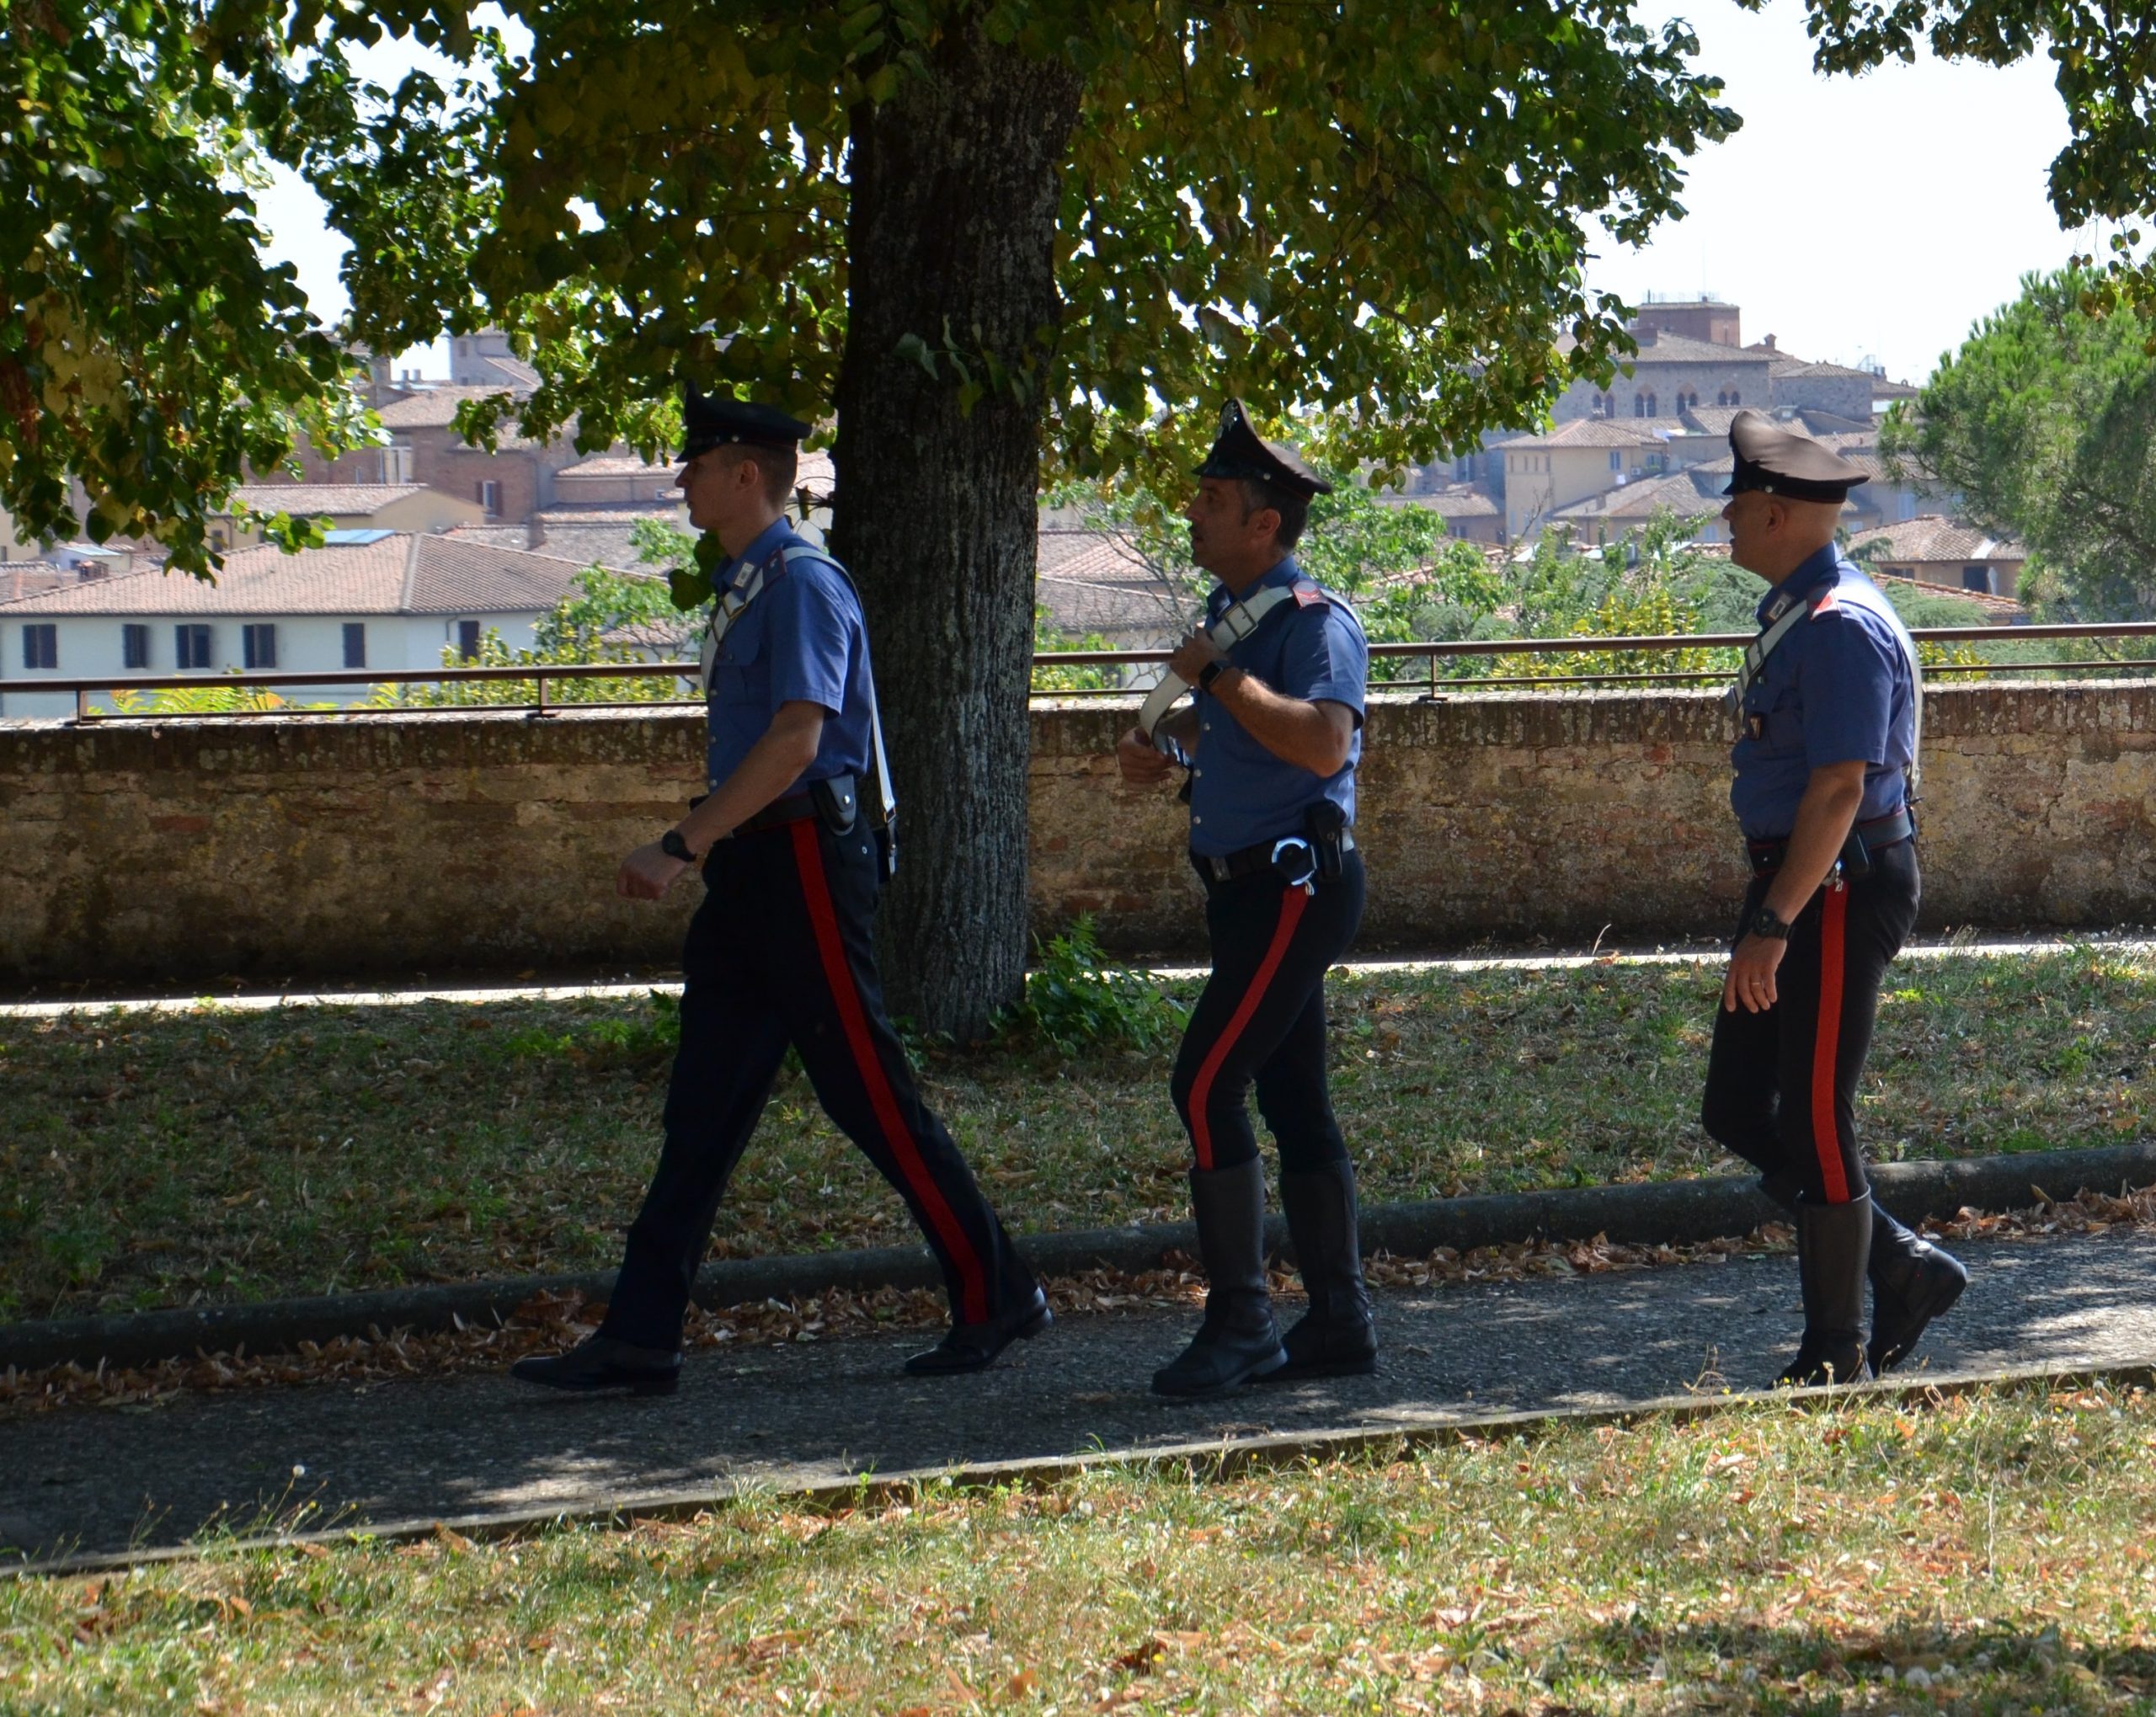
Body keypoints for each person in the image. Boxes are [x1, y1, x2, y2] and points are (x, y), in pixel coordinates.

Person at [514, 387, 1049, 1395]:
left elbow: (797, 742)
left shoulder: (800, 584)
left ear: (745, 473)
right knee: (702, 1106)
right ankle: (640, 1333)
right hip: (755, 867)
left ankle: (997, 1290)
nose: (681, 479)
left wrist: (681, 840)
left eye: (696, 463)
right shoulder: (750, 581)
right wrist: (712, 845)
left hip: (801, 857)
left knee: (868, 1092)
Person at [1700, 410, 1967, 1386]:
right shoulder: (1798, 612)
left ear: (1774, 511)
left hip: (1836, 880)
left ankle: (1833, 1351)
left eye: (1734, 504)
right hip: (1801, 875)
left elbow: (1840, 787)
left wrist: (1775, 921)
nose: (1724, 520)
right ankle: (1897, 1262)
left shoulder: (1840, 624)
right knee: (1737, 1102)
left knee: (1815, 1106)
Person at [1115, 398, 1373, 1398]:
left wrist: (1215, 677)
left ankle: (1242, 1324)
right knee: (1290, 1093)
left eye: (1213, 499)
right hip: (1247, 889)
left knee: (1203, 1084)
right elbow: (1246, 744)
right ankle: (1340, 1319)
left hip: (1295, 886)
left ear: (1264, 523)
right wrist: (1171, 751)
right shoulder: (1240, 621)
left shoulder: (1312, 620)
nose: (1195, 512)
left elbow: (1320, 741)